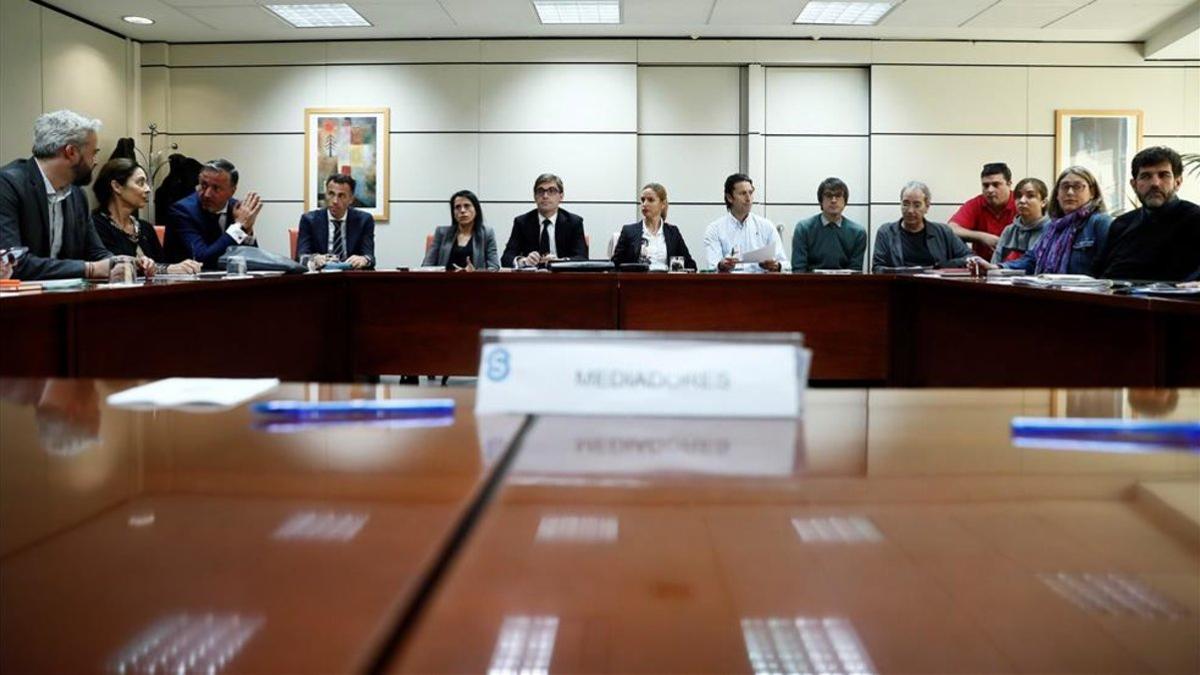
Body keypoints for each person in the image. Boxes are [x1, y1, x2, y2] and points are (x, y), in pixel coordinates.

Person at [0, 110, 112, 280]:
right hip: (17, 302)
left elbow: (96, 253)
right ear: (71, 152)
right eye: (93, 153)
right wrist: (89, 269)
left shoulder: (77, 195)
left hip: (65, 300)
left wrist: (122, 263)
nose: (95, 161)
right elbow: (12, 263)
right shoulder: (7, 185)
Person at [968, 166, 1110, 276]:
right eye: (1065, 187)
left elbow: (1110, 269)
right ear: (1057, 194)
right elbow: (1031, 260)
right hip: (1051, 298)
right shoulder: (1053, 228)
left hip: (1086, 302)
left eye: (1077, 187)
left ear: (1092, 192)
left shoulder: (1100, 223)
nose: (1070, 192)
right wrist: (996, 268)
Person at [1092, 146, 1200, 281]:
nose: (1155, 183)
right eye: (1146, 176)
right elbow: (1098, 274)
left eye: (1163, 175)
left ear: (1177, 183)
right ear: (1134, 184)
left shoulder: (1195, 220)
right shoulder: (1122, 224)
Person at [92, 158, 202, 276]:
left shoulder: (145, 227)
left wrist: (178, 267)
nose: (148, 189)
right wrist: (168, 269)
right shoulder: (96, 225)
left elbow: (161, 262)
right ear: (117, 186)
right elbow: (115, 267)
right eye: (140, 183)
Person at [164, 158, 262, 268]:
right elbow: (202, 259)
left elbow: (254, 259)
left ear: (232, 191)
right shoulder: (182, 211)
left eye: (216, 188)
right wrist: (239, 227)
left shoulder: (237, 209)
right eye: (204, 185)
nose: (207, 194)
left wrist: (248, 231)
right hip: (189, 280)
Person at [872, 181, 972, 270]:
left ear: (927, 207)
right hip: (899, 287)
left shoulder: (943, 232)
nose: (910, 210)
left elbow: (969, 257)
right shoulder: (886, 232)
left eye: (917, 205)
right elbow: (877, 268)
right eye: (906, 204)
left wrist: (942, 267)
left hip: (935, 287)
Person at [704, 173, 788, 273]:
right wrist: (721, 265)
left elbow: (785, 265)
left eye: (751, 193)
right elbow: (712, 267)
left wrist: (776, 265)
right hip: (728, 284)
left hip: (761, 284)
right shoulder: (715, 229)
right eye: (743, 193)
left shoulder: (766, 226)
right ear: (729, 197)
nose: (748, 198)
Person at [501, 173, 588, 268]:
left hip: (563, 278)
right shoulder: (522, 222)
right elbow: (506, 258)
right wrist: (524, 261)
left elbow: (582, 258)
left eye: (551, 191)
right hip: (531, 279)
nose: (545, 196)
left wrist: (560, 262)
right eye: (540, 191)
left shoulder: (574, 222)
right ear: (534, 196)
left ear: (561, 196)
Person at [296, 173, 375, 269]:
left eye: (341, 196)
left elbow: (370, 257)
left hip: (351, 277)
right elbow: (300, 257)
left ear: (351, 199)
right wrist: (314, 258)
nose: (335, 201)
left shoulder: (364, 220)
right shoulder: (309, 220)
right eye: (331, 194)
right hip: (320, 277)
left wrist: (364, 260)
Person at [611, 182, 696, 270]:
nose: (644, 204)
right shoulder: (628, 231)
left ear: (662, 204)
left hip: (667, 282)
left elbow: (690, 265)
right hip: (637, 281)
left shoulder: (673, 232)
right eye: (643, 200)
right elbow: (614, 265)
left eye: (650, 200)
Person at [791, 177, 866, 272]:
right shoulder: (803, 229)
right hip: (810, 285)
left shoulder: (858, 233)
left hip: (845, 285)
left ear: (845, 201)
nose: (833, 200)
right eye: (828, 196)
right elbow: (798, 269)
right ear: (821, 201)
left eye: (838, 196)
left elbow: (855, 272)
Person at [948, 162, 1017, 261]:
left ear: (1009, 184)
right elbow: (951, 229)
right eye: (986, 185)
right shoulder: (976, 204)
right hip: (983, 268)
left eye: (996, 184)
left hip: (1018, 268)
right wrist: (982, 237)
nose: (990, 190)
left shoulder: (1020, 203)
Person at [423, 189, 500, 271]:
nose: (462, 210)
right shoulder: (441, 233)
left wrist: (475, 272)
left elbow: (494, 267)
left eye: (467, 206)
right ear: (453, 212)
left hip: (475, 282)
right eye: (457, 207)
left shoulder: (487, 233)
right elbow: (426, 266)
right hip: (445, 282)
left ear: (476, 209)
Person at [990, 177, 1050, 264]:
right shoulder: (1009, 231)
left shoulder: (1052, 230)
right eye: (1018, 196)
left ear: (1043, 202)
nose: (1022, 200)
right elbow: (994, 265)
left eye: (1030, 196)